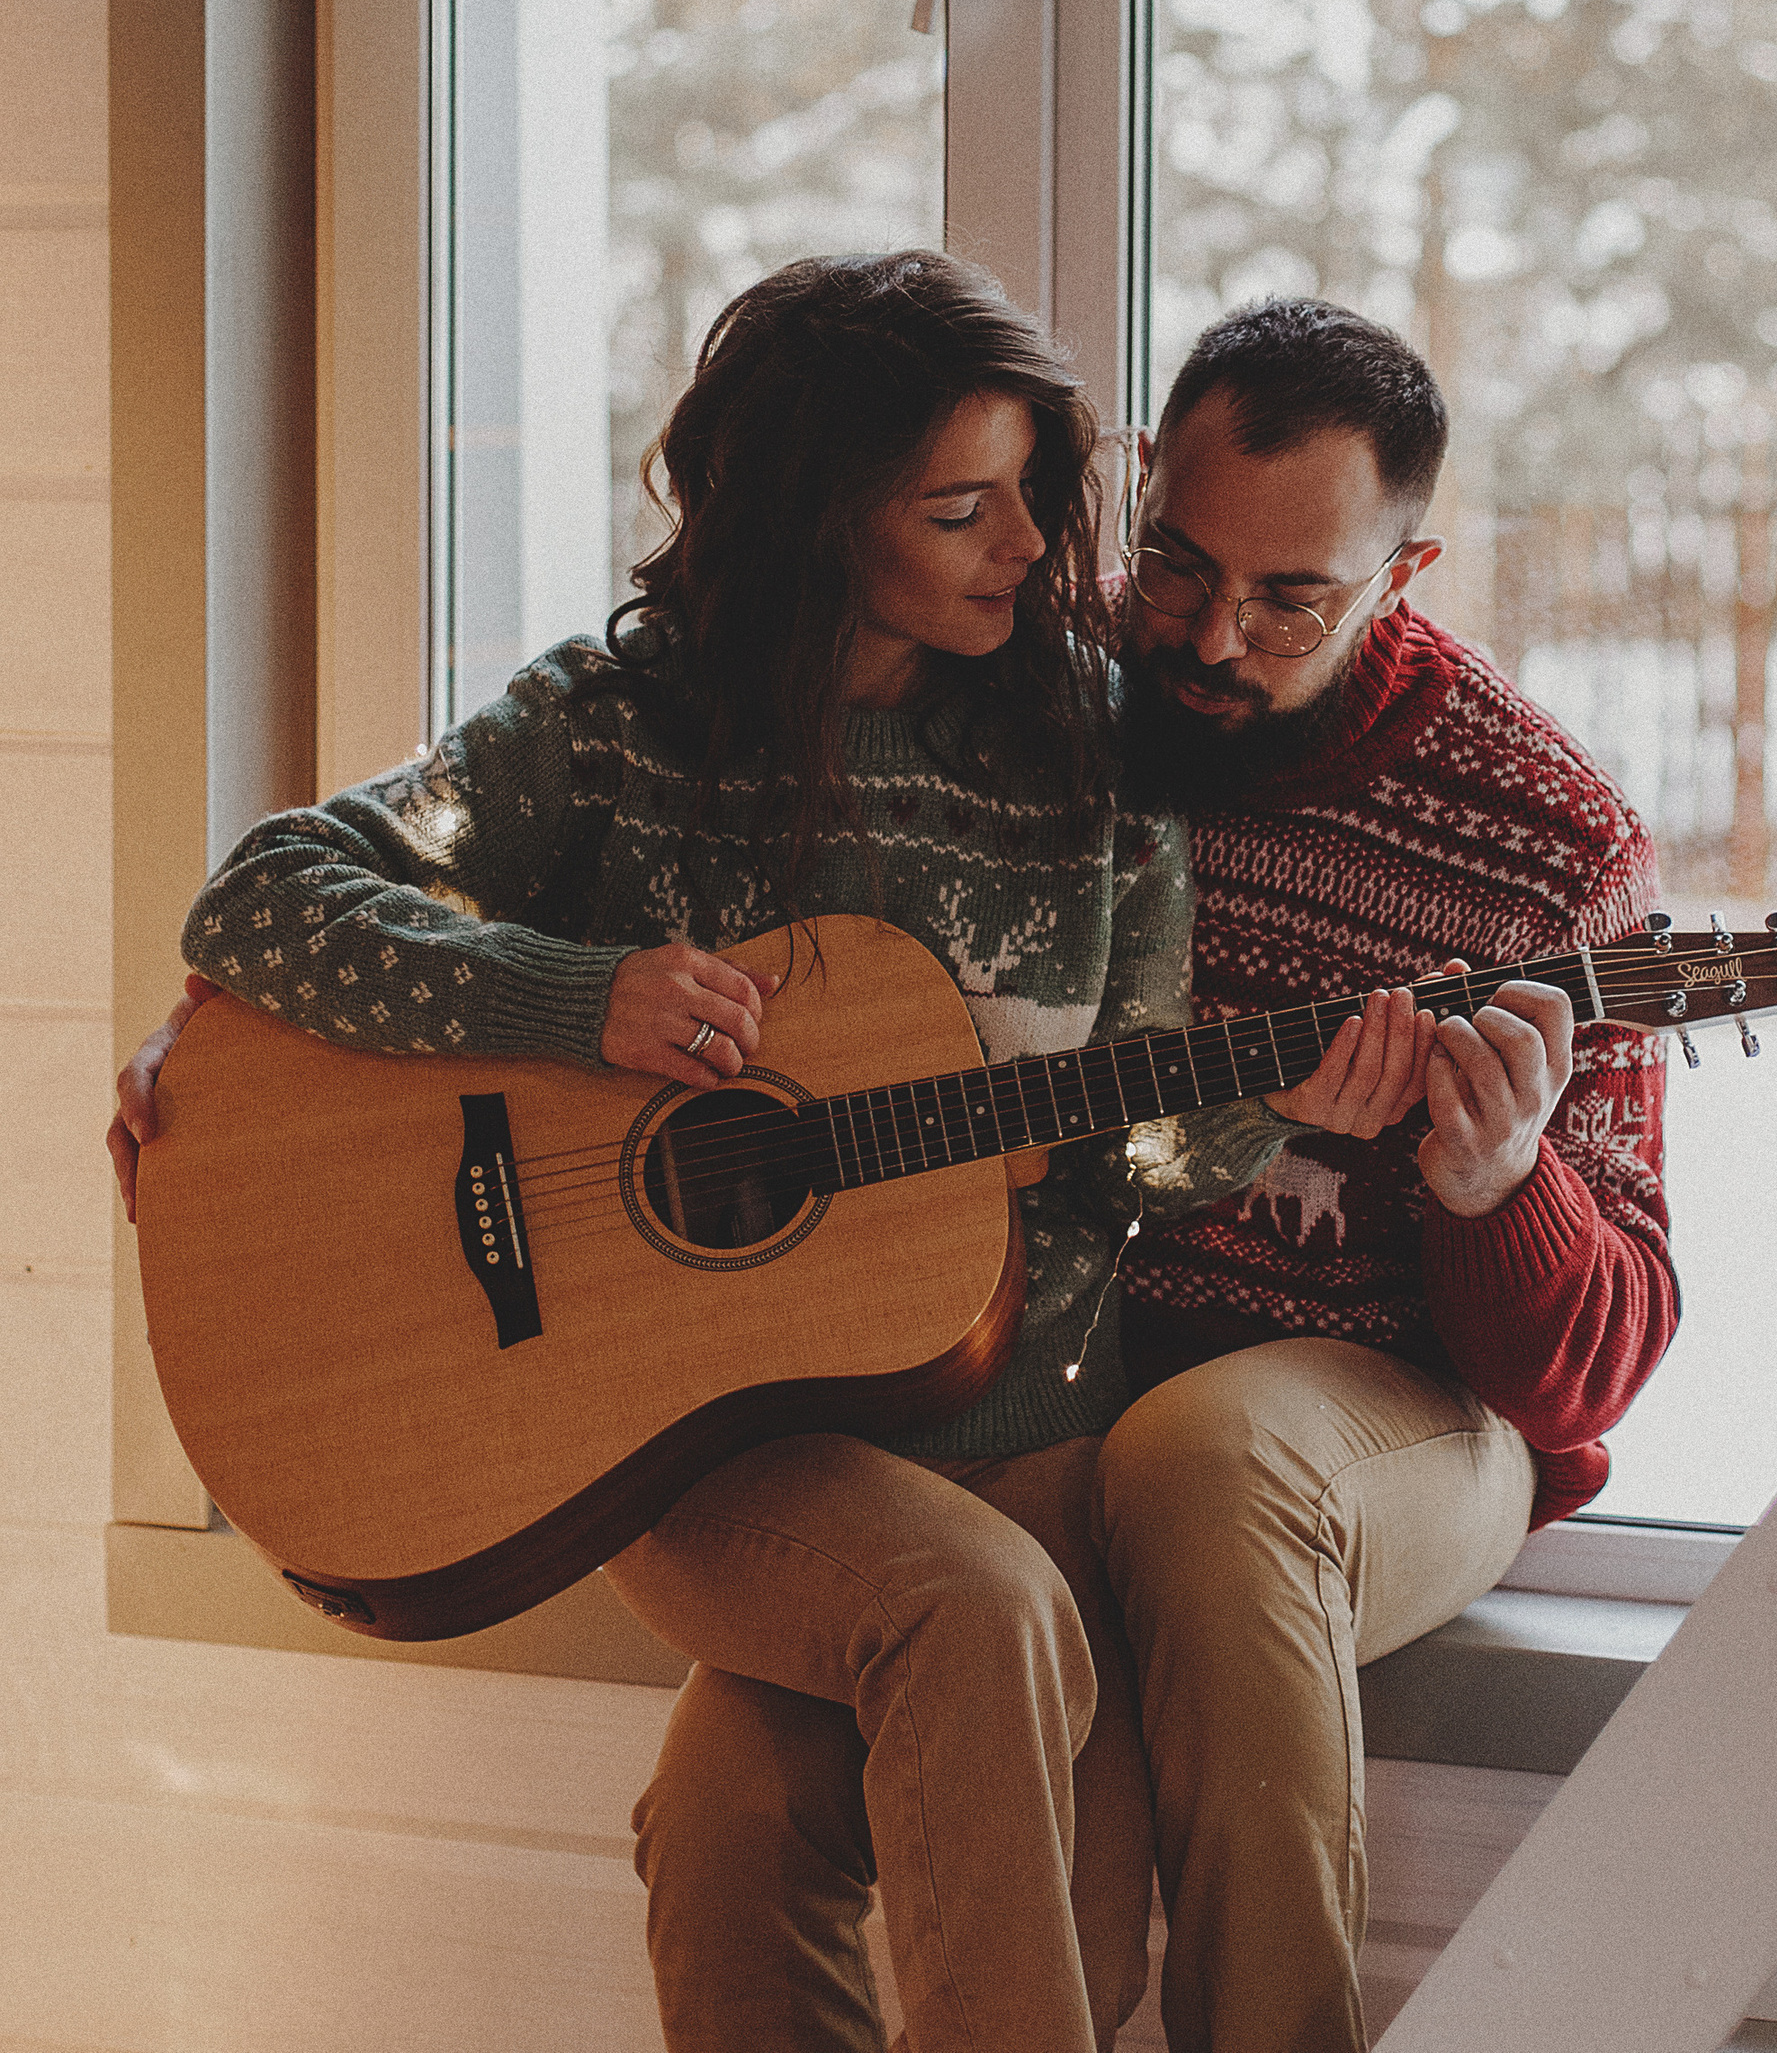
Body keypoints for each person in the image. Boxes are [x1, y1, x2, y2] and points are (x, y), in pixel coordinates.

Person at [109, 250, 1426, 2053]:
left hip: (1030, 1417)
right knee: (968, 1612)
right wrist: (578, 999)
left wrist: (1288, 1103)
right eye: (964, 506)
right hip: (713, 1451)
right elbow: (268, 894)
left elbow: (1135, 1145)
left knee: (909, 1871)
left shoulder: (1090, 764)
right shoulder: (605, 728)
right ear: (815, 516)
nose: (1037, 547)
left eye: (1042, 490)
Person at [658, 296, 1679, 2053]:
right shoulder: (1039, 713)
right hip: (1000, 1386)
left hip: (1369, 1417)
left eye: (1294, 598)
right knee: (727, 1805)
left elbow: (1598, 1361)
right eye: (1180, 567)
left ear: (1408, 568)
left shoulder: (1546, 836)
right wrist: (225, 1018)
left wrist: (1499, 1179)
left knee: (1202, 1459)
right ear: (1132, 493)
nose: (1211, 634)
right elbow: (557, 806)